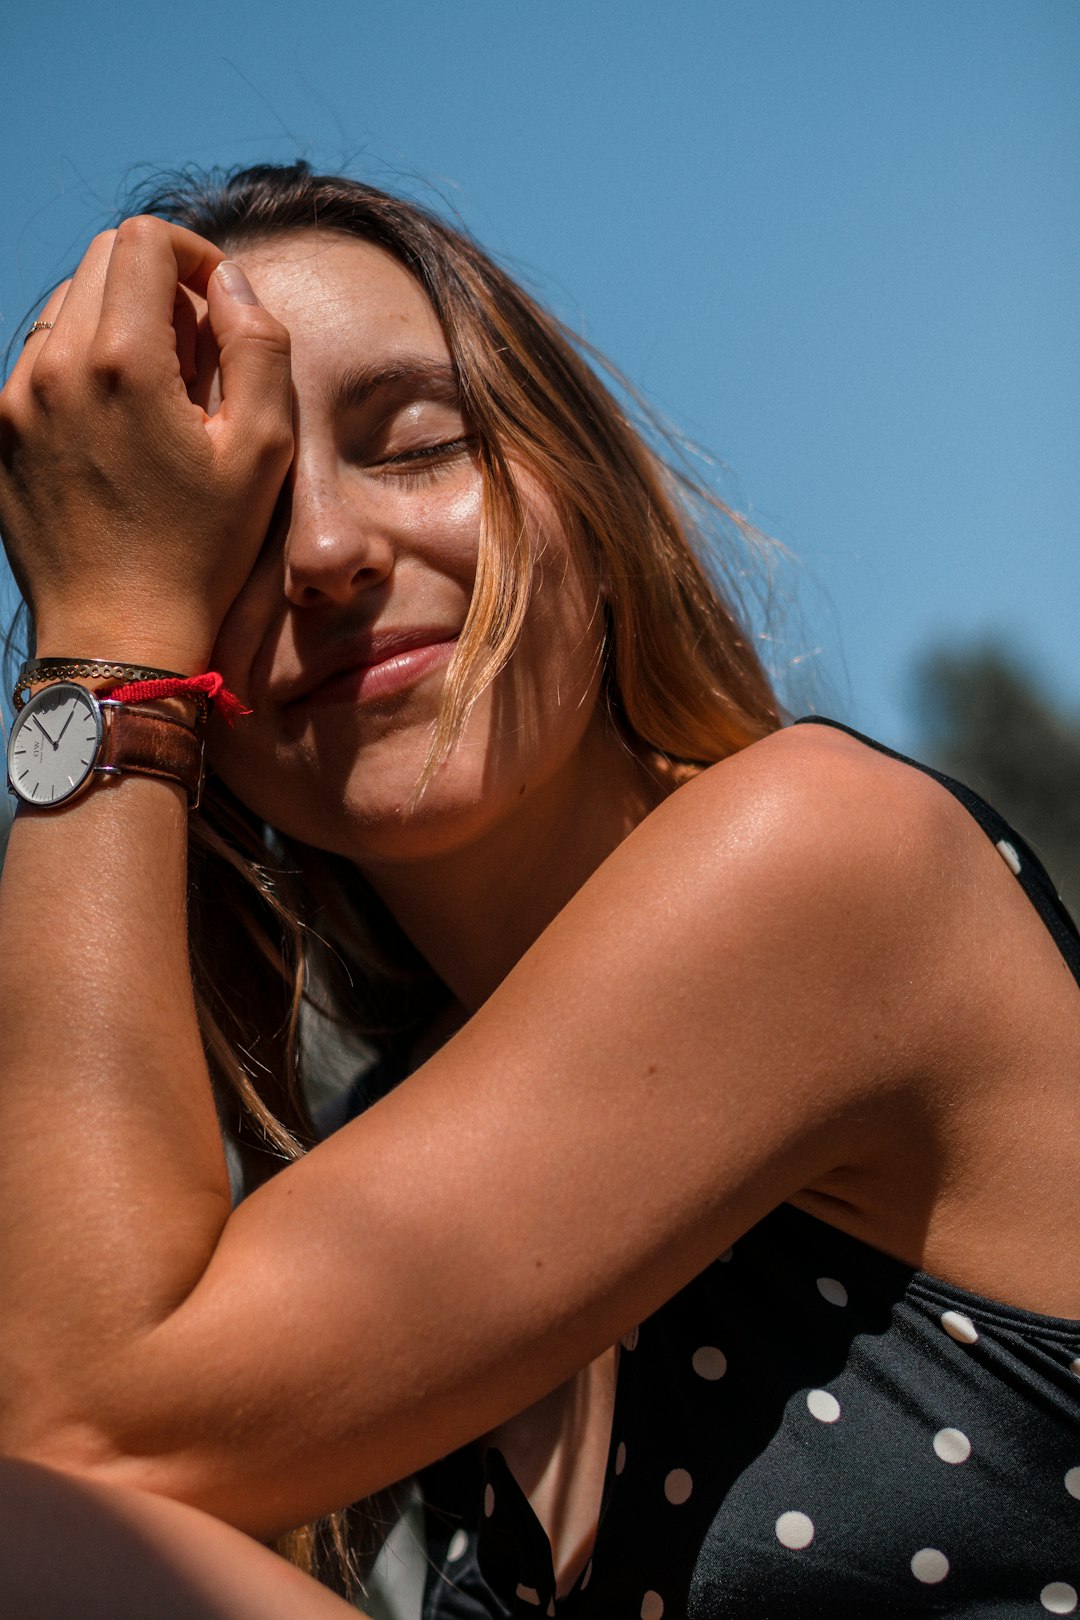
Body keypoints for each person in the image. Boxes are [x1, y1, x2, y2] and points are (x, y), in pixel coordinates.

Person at [0, 163, 1076, 1620]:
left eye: (416, 443)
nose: (323, 555)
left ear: (588, 493)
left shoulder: (823, 853)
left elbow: (78, 1430)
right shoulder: (371, 1152)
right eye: (229, 535)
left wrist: (107, 641)